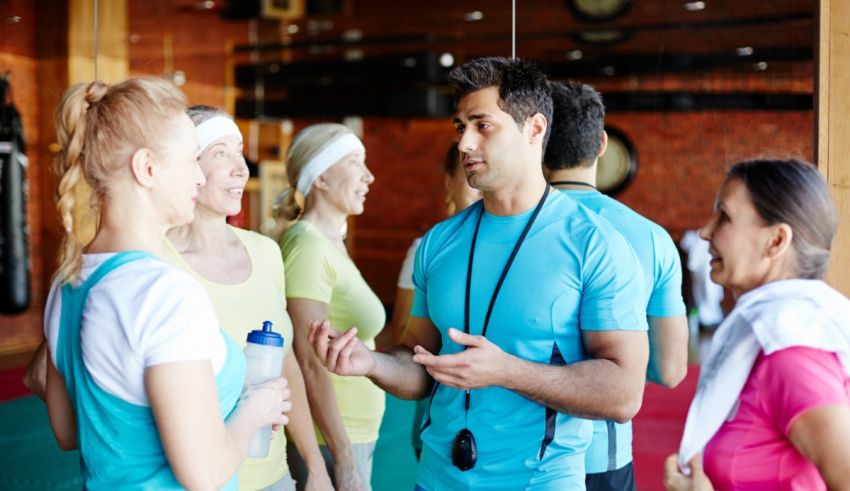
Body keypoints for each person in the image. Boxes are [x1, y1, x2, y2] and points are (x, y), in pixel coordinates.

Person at [307, 57, 649, 490]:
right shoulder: (439, 243)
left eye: (483, 126)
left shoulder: (594, 243)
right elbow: (419, 362)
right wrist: (370, 362)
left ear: (535, 129)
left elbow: (623, 393)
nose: (464, 143)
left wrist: (506, 371)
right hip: (436, 479)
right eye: (460, 127)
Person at [43, 78, 290, 489]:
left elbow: (69, 432)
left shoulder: (68, 282)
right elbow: (206, 475)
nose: (198, 178)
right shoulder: (164, 294)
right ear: (148, 168)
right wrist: (255, 408)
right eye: (194, 159)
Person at [162, 105, 333, 491]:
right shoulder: (155, 260)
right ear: (187, 163)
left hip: (272, 476)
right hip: (197, 480)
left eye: (240, 151)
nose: (241, 168)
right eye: (221, 152)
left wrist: (314, 466)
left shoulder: (265, 252)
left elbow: (287, 364)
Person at [664, 159, 850, 490]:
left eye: (724, 216)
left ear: (776, 241)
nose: (706, 231)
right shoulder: (764, 338)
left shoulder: (792, 355)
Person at [543, 80, 689, 490]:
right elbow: (673, 370)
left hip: (510, 452)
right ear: (602, 143)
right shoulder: (650, 238)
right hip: (600, 455)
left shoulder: (508, 230)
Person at [277, 123, 384, 491]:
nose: (368, 176)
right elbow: (307, 360)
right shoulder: (307, 246)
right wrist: (342, 457)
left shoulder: (330, 242)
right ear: (320, 178)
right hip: (333, 440)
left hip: (355, 432)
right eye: (355, 162)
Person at [378, 141, 481, 349]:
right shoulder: (425, 248)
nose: (480, 188)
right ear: (450, 183)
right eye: (470, 175)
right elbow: (401, 331)